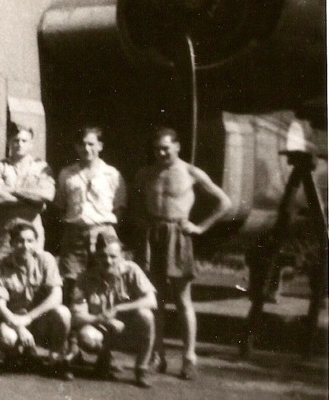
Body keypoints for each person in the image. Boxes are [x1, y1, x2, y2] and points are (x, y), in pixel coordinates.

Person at [137, 127, 232, 380]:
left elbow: (224, 202)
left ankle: (189, 357)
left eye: (166, 148)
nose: (160, 153)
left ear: (177, 146)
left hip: (178, 235)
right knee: (153, 299)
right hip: (153, 234)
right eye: (157, 149)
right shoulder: (146, 173)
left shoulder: (191, 172)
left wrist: (200, 227)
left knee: (182, 300)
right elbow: (136, 206)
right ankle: (157, 354)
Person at [0, 220, 71, 380]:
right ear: (12, 243)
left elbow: (56, 296)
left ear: (36, 242)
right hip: (12, 322)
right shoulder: (1, 265)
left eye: (30, 241)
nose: (25, 246)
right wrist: (19, 327)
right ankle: (15, 356)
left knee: (63, 312)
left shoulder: (46, 259)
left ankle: (56, 359)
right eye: (20, 241)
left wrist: (29, 318)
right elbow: (0, 306)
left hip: (38, 320)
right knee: (8, 338)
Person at [72, 238, 157, 388]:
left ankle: (141, 369)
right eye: (103, 256)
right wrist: (104, 319)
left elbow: (151, 301)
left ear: (122, 256)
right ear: (95, 257)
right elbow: (78, 315)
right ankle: (104, 358)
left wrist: (118, 309)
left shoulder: (132, 270)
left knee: (147, 316)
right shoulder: (84, 278)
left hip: (126, 329)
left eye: (113, 256)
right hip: (102, 328)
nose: (108, 261)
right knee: (86, 336)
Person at [55, 126, 126, 300]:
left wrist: (105, 231)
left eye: (91, 144)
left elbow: (119, 207)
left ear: (100, 146)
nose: (86, 149)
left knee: (105, 281)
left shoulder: (112, 174)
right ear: (76, 147)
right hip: (74, 235)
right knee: (72, 284)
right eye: (81, 144)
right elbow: (60, 205)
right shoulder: (67, 174)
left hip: (103, 233)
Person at [0, 124, 55, 260]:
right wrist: (31, 199)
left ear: (31, 144)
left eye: (24, 141)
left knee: (33, 268)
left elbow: (47, 195)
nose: (19, 144)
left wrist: (13, 191)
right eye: (15, 140)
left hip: (32, 228)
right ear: (9, 143)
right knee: (2, 268)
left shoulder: (42, 167)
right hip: (5, 229)